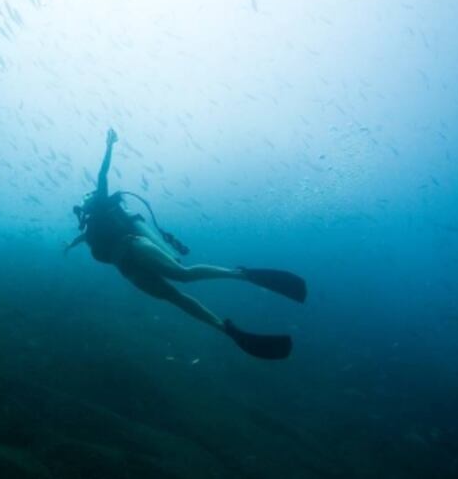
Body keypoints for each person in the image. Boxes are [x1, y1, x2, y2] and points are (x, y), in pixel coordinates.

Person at [65, 128, 307, 360]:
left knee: (183, 275)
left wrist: (109, 147)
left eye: (89, 196)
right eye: (85, 198)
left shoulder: (103, 207)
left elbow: (102, 175)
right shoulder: (91, 228)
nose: (86, 199)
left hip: (133, 246)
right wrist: (70, 244)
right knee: (175, 298)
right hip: (128, 270)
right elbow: (86, 237)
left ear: (96, 198)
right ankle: (225, 329)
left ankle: (240, 274)